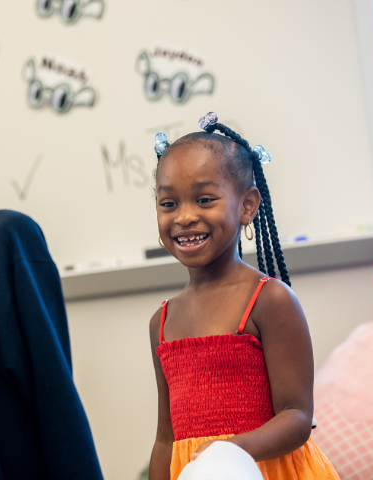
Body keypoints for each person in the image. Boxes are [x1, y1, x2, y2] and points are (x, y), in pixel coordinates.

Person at [147, 112, 339, 480]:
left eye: (204, 200)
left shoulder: (270, 300)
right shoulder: (161, 321)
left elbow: (297, 416)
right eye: (168, 203)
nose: (184, 217)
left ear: (248, 206)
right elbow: (165, 439)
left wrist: (233, 451)